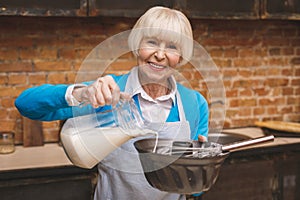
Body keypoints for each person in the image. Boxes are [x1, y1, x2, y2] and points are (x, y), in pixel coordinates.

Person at [15, 6, 208, 200]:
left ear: (181, 56)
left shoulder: (194, 103)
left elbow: (195, 188)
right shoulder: (106, 93)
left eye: (172, 47)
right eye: (152, 42)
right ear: (137, 46)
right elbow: (25, 104)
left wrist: (201, 165)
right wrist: (82, 93)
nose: (160, 54)